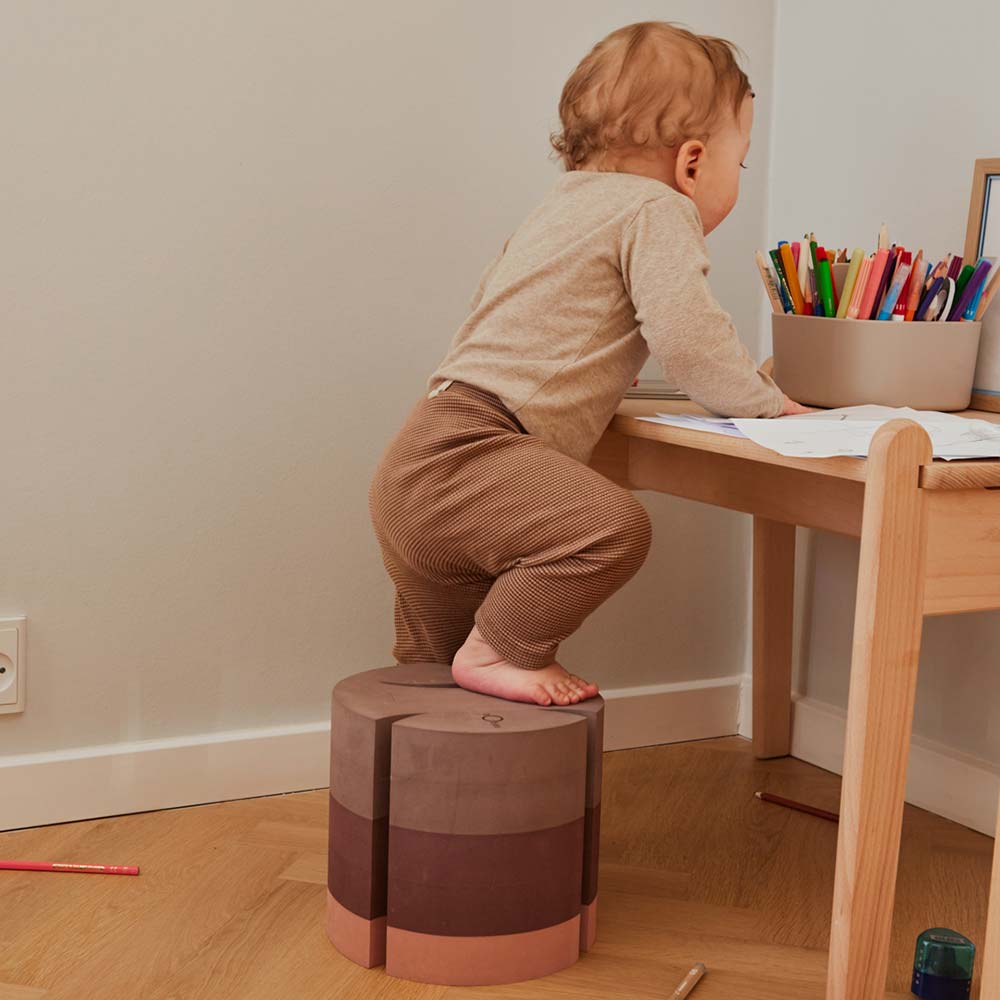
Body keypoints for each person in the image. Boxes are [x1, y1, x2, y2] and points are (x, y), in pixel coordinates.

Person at [369, 21, 809, 708]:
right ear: (693, 164)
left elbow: (509, 313)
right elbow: (689, 339)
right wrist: (763, 400)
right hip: (475, 452)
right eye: (741, 163)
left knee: (438, 683)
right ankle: (501, 649)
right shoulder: (658, 208)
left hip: (418, 462)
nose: (738, 179)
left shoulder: (562, 205)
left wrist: (601, 370)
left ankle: (433, 754)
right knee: (610, 529)